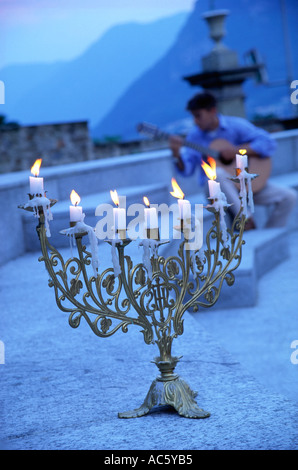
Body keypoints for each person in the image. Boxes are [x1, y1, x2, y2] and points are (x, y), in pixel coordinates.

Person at [169, 92, 297, 229]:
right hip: (217, 192)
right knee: (216, 173)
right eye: (193, 116)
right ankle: (245, 219)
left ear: (212, 111)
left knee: (289, 197)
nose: (195, 121)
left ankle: (269, 234)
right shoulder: (194, 137)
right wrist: (176, 153)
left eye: (198, 116)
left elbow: (268, 143)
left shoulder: (235, 125)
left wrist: (236, 151)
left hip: (246, 186)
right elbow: (186, 171)